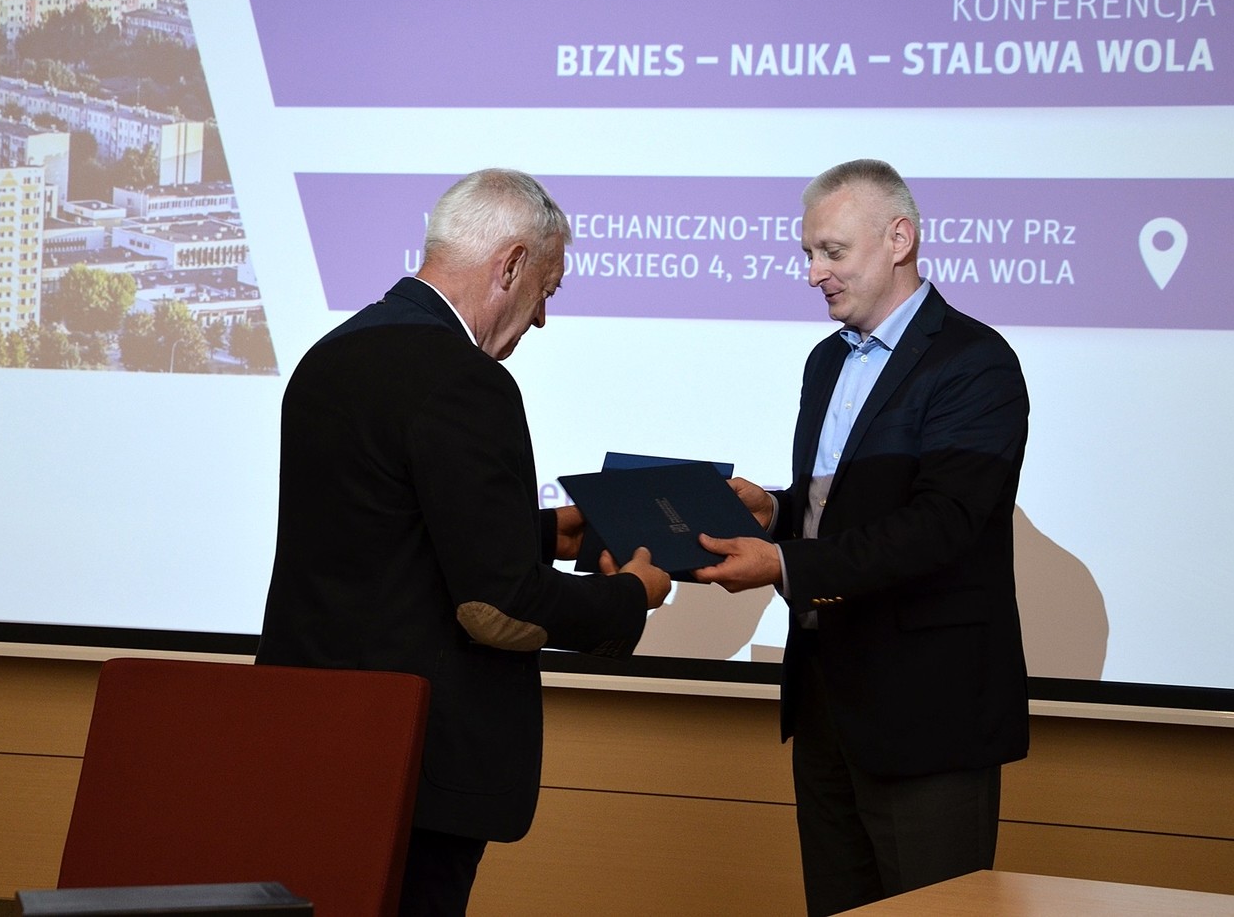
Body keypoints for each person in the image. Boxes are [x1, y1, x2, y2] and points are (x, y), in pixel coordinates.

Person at [255, 167, 671, 917]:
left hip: (310, 743)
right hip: (415, 762)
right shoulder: (466, 379)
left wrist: (543, 531)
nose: (541, 319)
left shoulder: (331, 355)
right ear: (510, 265)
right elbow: (497, 606)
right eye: (546, 290)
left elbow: (382, 529)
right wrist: (630, 597)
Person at [692, 159, 1030, 916]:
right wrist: (773, 512)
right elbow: (843, 511)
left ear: (899, 239)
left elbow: (941, 526)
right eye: (808, 253)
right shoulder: (825, 362)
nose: (813, 273)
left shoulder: (975, 362)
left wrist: (782, 562)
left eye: (832, 252)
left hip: (926, 717)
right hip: (825, 704)